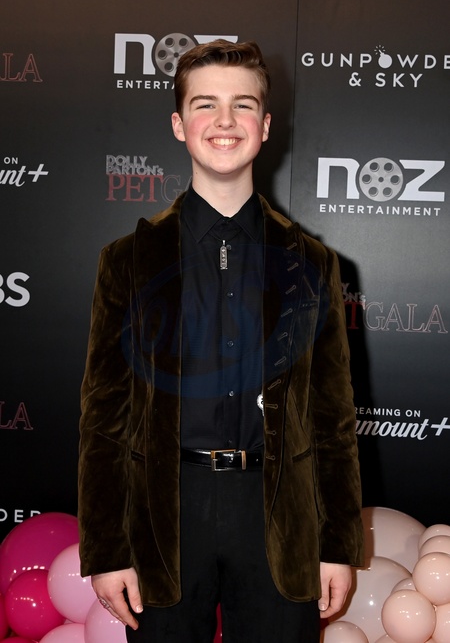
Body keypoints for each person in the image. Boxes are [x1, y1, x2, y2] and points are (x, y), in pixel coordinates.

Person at [78, 39, 364, 642]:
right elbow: (103, 420)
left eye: (243, 105)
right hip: (164, 518)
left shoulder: (313, 263)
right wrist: (105, 549)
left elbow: (333, 419)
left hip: (280, 516)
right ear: (179, 124)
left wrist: (337, 544)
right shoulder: (128, 261)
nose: (225, 121)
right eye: (205, 104)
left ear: (265, 125)